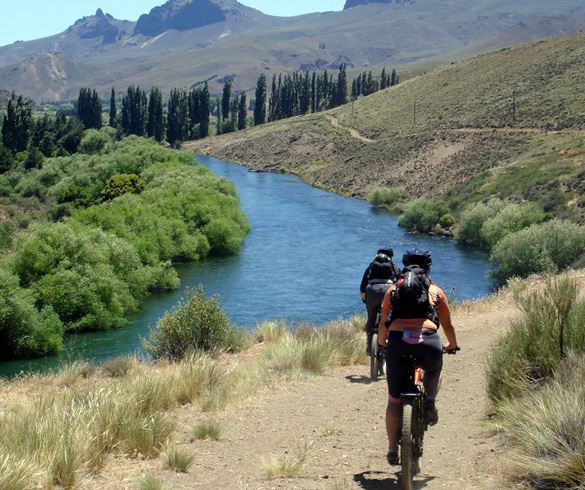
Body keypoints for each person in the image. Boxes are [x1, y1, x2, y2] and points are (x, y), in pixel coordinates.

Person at [377, 249, 459, 466]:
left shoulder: (394, 290)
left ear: (403, 267)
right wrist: (452, 345)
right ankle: (430, 400)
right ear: (428, 269)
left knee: (394, 400)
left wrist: (382, 343)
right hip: (428, 341)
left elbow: (383, 323)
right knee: (433, 369)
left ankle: (392, 448)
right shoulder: (436, 292)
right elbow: (448, 325)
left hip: (397, 342)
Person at [360, 248, 400, 355]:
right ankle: (390, 343)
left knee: (371, 317)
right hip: (388, 290)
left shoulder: (371, 266)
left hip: (372, 290)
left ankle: (369, 346)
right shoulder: (394, 267)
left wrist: (365, 298)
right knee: (390, 317)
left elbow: (363, 285)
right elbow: (399, 282)